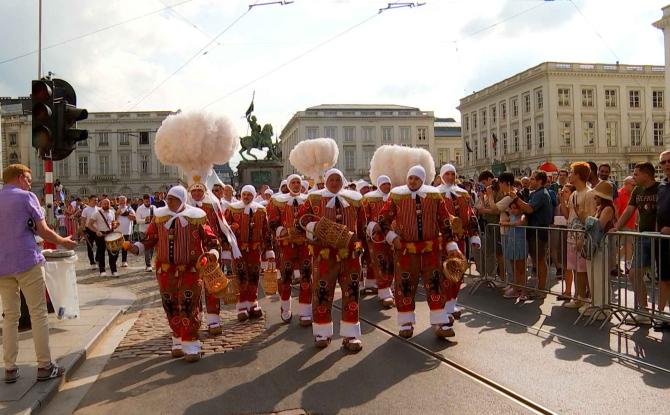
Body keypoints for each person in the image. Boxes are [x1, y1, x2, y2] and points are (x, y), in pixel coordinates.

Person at [0, 164, 78, 383]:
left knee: (10, 316)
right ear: (18, 177)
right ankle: (44, 366)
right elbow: (43, 230)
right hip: (26, 260)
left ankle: (10, 368)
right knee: (38, 313)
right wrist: (63, 241)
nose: (29, 182)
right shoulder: (27, 197)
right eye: (27, 178)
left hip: (2, 265)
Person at [126, 186, 220, 361]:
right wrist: (135, 247)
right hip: (166, 271)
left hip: (191, 270)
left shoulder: (197, 217)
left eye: (174, 199)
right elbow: (150, 238)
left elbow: (211, 239)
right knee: (170, 304)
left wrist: (212, 253)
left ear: (182, 200)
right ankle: (177, 338)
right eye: (168, 199)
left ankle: (191, 342)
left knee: (188, 304)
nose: (169, 202)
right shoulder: (160, 216)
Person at [372, 165, 460, 339]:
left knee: (435, 284)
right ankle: (406, 322)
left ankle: (440, 320)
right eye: (410, 178)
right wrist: (391, 237)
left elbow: (444, 220)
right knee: (405, 285)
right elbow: (383, 219)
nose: (412, 181)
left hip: (430, 249)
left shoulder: (434, 195)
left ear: (422, 180)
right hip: (405, 250)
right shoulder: (397, 195)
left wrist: (450, 243)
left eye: (416, 179)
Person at [299, 168, 367, 352]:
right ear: (326, 181)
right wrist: (315, 227)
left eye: (338, 179)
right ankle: (322, 333)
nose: (335, 183)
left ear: (342, 181)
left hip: (350, 256)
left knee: (351, 292)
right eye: (332, 179)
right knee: (322, 292)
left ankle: (350, 334)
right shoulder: (313, 199)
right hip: (324, 256)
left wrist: (360, 249)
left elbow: (362, 228)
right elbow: (301, 221)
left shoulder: (355, 200)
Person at [613, 162, 658, 325]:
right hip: (643, 236)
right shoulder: (637, 190)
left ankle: (660, 315)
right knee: (633, 273)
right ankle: (644, 311)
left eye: (636, 174)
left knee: (665, 279)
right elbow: (628, 210)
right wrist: (616, 227)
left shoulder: (661, 188)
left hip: (660, 237)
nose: (634, 176)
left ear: (647, 174)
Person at [267, 174, 312, 324]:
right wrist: (281, 230)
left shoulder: (308, 200)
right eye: (293, 182)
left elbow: (313, 218)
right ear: (288, 184)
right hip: (286, 246)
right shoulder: (277, 201)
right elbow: (272, 221)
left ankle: (305, 311)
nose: (296, 184)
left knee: (306, 276)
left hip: (304, 245)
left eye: (298, 182)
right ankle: (285, 308)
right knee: (286, 278)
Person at [225, 185, 274, 321]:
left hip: (254, 249)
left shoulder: (261, 210)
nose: (246, 197)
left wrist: (269, 250)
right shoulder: (232, 209)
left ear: (253, 195)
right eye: (244, 194)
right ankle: (241, 305)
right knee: (241, 276)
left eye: (249, 195)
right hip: (238, 250)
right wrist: (231, 230)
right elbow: (225, 229)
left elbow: (266, 231)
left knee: (253, 276)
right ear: (241, 195)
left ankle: (252, 303)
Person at [559, 163, 596, 307]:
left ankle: (585, 298)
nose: (569, 174)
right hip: (571, 236)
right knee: (575, 269)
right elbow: (569, 215)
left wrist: (584, 237)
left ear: (578, 175)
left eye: (571, 172)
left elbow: (591, 219)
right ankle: (579, 298)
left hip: (582, 237)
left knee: (583, 270)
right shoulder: (574, 194)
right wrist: (562, 200)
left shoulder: (589, 193)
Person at [513, 170, 553, 299]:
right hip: (533, 230)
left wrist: (515, 199)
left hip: (539, 231)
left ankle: (541, 289)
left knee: (540, 259)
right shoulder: (536, 193)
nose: (530, 181)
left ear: (540, 181)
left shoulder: (541, 194)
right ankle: (539, 287)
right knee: (536, 259)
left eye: (533, 179)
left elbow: (529, 208)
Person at [362, 175, 395, 308]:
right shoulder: (369, 198)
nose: (387, 186)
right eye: (384, 184)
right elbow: (363, 217)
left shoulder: (395, 197)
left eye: (388, 183)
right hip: (376, 237)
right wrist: (371, 225)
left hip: (392, 236)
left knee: (392, 262)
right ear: (379, 184)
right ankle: (383, 291)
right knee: (380, 262)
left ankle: (390, 286)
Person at [655, 150, 670, 331]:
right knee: (664, 279)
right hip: (663, 241)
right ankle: (661, 315)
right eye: (663, 162)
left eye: (669, 161)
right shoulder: (662, 186)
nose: (667, 164)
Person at [501, 201, 528, 301]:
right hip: (512, 243)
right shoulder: (511, 216)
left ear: (520, 208)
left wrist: (507, 224)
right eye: (511, 208)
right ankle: (516, 288)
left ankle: (524, 290)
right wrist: (506, 222)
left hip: (520, 243)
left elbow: (519, 222)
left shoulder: (523, 216)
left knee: (521, 268)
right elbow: (503, 221)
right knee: (514, 267)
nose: (513, 210)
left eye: (515, 208)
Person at [87, 198, 120, 277]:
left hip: (110, 234)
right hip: (101, 235)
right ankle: (102, 270)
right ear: (101, 204)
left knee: (112, 253)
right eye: (104, 204)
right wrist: (96, 231)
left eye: (107, 204)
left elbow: (113, 222)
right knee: (101, 253)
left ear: (110, 204)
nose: (106, 205)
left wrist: (115, 225)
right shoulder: (96, 213)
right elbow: (89, 224)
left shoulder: (112, 212)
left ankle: (114, 271)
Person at [614, 176, 636, 269]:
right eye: (633, 184)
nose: (635, 186)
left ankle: (621, 264)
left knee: (628, 246)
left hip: (631, 225)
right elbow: (616, 210)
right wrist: (619, 224)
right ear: (626, 184)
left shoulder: (633, 194)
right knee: (626, 246)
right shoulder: (619, 194)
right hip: (622, 225)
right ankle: (624, 265)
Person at [135, 194, 155, 272]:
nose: (148, 202)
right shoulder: (139, 209)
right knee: (147, 247)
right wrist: (145, 220)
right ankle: (148, 265)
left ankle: (149, 262)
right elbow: (137, 220)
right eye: (146, 201)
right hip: (143, 231)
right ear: (143, 201)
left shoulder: (154, 208)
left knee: (152, 248)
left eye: (149, 201)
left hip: (152, 231)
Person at [115, 196, 136, 267]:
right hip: (117, 231)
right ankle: (114, 260)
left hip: (127, 231)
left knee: (125, 246)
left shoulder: (130, 208)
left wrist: (130, 215)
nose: (122, 202)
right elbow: (112, 218)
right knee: (116, 247)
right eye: (120, 200)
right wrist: (117, 213)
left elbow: (134, 218)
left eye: (123, 200)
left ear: (126, 201)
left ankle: (124, 261)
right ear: (118, 201)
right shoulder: (115, 208)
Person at [81, 195, 99, 269]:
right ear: (90, 200)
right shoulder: (86, 210)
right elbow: (83, 220)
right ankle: (92, 262)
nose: (96, 201)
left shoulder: (99, 209)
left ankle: (97, 258)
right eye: (95, 200)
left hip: (97, 230)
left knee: (100, 246)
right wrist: (84, 230)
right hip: (89, 230)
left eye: (97, 200)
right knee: (90, 246)